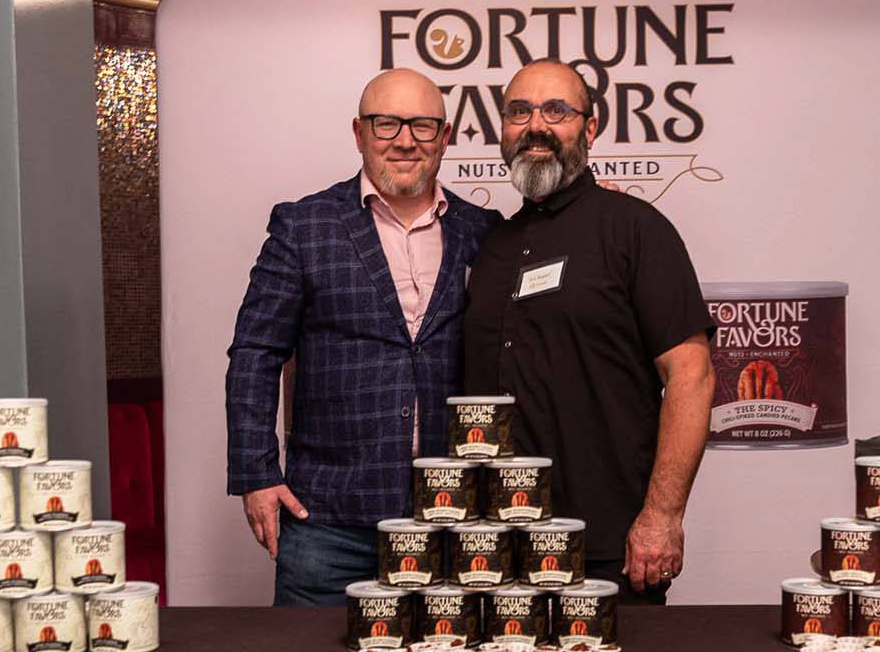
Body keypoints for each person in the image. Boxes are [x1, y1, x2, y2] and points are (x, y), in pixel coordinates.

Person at [227, 68, 501, 605]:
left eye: (423, 126)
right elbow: (256, 354)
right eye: (386, 124)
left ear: (445, 137)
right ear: (359, 133)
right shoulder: (304, 227)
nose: (405, 141)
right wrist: (256, 474)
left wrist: (597, 211)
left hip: (452, 521)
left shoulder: (484, 229)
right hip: (328, 522)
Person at [462, 60, 715, 605]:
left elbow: (690, 376)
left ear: (590, 128)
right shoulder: (491, 247)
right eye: (519, 112)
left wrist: (662, 515)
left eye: (557, 111)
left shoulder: (636, 229)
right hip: (493, 544)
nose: (536, 126)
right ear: (502, 129)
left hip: (607, 543)